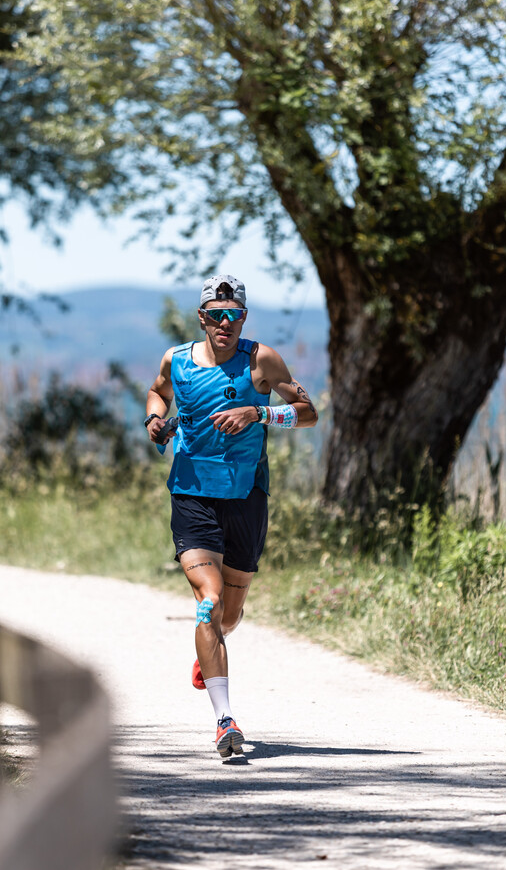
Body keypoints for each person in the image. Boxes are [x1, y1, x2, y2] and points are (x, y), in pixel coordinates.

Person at [145, 274, 318, 758]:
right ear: (202, 317)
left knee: (230, 613)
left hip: (246, 497)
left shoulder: (260, 360)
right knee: (209, 600)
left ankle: (209, 650)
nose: (226, 323)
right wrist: (155, 421)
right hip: (191, 494)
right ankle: (225, 721)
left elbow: (308, 413)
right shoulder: (176, 360)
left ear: (244, 317)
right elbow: (158, 393)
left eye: (235, 314)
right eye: (217, 315)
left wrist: (257, 414)